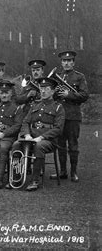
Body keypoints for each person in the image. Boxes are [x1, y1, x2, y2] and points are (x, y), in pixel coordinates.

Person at [11, 77, 65, 191]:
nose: (43, 91)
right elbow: (25, 122)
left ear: (53, 91)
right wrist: (27, 135)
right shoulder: (34, 105)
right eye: (41, 88)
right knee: (16, 144)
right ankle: (16, 178)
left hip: (48, 141)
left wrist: (41, 137)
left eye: (47, 88)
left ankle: (35, 180)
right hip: (31, 138)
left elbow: (58, 129)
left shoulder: (58, 108)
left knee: (39, 147)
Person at [51, 50, 89, 182]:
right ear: (61, 62)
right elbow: (52, 97)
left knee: (73, 144)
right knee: (60, 144)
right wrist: (55, 93)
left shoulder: (79, 77)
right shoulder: (57, 76)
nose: (66, 63)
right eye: (64, 61)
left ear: (73, 62)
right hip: (60, 115)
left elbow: (84, 96)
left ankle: (73, 172)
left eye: (69, 61)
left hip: (73, 115)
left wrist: (69, 95)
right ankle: (62, 171)